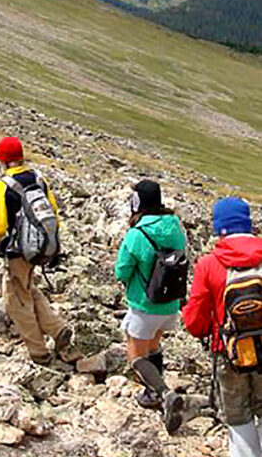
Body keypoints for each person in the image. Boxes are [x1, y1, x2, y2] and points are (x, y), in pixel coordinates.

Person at [0, 136, 72, 365]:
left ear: (2, 160)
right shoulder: (39, 180)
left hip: (17, 251)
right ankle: (57, 329)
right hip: (39, 247)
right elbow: (53, 214)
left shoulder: (3, 185)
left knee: (15, 301)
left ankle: (38, 352)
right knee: (28, 288)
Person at [183, 197, 262, 457]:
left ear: (218, 227)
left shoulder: (209, 264)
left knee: (239, 417)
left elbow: (194, 322)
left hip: (229, 351)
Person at [114, 179, 186, 432]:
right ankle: (151, 393)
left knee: (135, 354)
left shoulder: (137, 234)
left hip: (145, 302)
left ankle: (163, 393)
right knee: (154, 344)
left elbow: (122, 269)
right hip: (169, 303)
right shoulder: (175, 227)